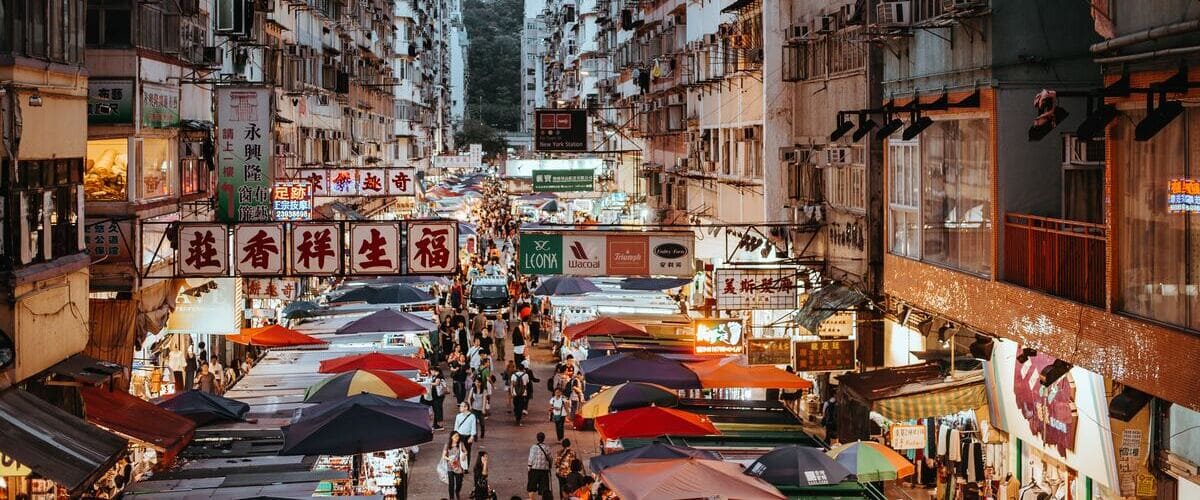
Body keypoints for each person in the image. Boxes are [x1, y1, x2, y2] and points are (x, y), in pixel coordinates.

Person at [443, 432, 469, 499]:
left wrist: (464, 454)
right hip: (450, 466)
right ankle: (451, 497)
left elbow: (466, 451)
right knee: (451, 484)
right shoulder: (447, 445)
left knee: (459, 483)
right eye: (455, 436)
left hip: (459, 467)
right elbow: (443, 456)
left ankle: (457, 492)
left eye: (458, 436)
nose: (457, 438)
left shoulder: (460, 444)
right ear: (451, 437)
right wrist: (449, 459)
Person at [527, 432, 553, 500]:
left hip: (534, 469)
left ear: (537, 438)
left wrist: (529, 467)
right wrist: (550, 466)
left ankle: (532, 499)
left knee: (531, 487)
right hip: (544, 470)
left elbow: (531, 458)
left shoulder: (533, 447)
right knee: (544, 488)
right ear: (544, 438)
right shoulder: (547, 447)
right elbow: (550, 458)